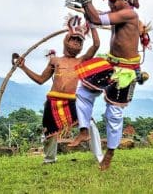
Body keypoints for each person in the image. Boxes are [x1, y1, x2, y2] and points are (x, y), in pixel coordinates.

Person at [67, 0, 149, 171]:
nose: (111, 3)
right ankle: (84, 130)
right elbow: (94, 15)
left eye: (114, 1)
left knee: (113, 113)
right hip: (110, 63)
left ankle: (110, 154)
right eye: (110, 1)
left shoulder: (128, 14)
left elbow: (94, 17)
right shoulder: (118, 12)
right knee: (83, 92)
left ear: (124, 0)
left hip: (126, 71)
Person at [13, 15, 101, 164]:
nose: (76, 42)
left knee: (90, 124)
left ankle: (99, 157)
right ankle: (49, 159)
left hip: (74, 101)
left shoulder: (82, 60)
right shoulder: (55, 61)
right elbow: (40, 80)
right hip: (53, 101)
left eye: (79, 41)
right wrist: (23, 67)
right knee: (49, 131)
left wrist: (92, 25)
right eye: (73, 39)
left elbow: (96, 45)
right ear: (66, 40)